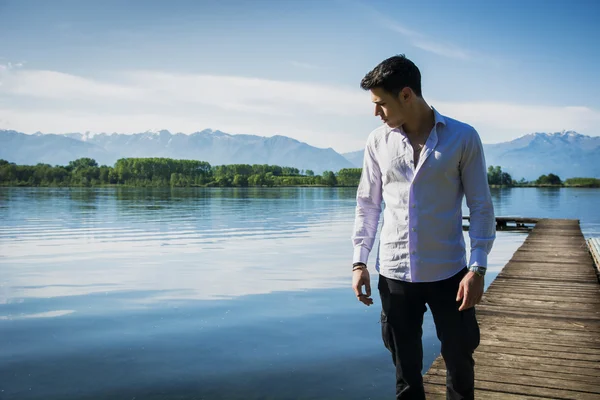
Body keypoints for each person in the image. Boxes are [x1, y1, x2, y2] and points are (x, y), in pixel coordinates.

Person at [351, 54, 495, 400]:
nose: (376, 113)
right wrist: (359, 262)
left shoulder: (463, 137)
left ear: (406, 95)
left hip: (450, 275)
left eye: (380, 103)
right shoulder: (377, 142)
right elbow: (368, 205)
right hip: (395, 274)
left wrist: (477, 268)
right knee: (405, 373)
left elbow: (481, 206)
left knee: (460, 363)